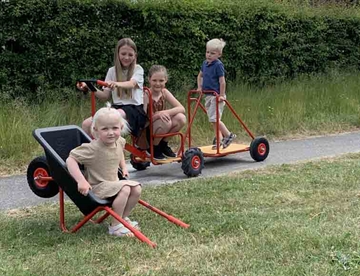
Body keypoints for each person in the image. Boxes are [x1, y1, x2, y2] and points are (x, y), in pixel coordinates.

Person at [66, 104, 142, 237]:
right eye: (105, 129)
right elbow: (70, 160)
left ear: (121, 128)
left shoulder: (120, 142)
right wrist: (81, 181)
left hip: (113, 184)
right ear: (96, 130)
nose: (111, 132)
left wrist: (124, 167)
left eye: (114, 128)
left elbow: (119, 154)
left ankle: (122, 218)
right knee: (125, 188)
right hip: (98, 187)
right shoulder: (92, 148)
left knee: (136, 189)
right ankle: (115, 227)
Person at [77, 38, 147, 138]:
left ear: (135, 56)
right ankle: (89, 151)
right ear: (117, 54)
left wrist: (116, 84)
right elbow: (105, 96)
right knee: (86, 124)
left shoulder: (138, 69)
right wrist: (89, 87)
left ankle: (107, 148)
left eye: (130, 55)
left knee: (109, 117)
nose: (126, 57)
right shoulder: (112, 71)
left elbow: (132, 84)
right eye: (123, 54)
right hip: (116, 107)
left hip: (134, 110)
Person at [197, 38, 236, 149]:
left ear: (219, 54)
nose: (209, 55)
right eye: (207, 52)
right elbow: (200, 76)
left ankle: (228, 135)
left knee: (215, 119)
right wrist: (199, 87)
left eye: (212, 53)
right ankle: (218, 140)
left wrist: (222, 95)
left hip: (216, 96)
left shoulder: (218, 65)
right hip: (208, 95)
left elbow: (222, 81)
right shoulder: (205, 64)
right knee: (213, 120)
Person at [142, 65, 186, 160]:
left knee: (181, 118)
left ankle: (163, 144)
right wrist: (157, 115)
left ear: (166, 80)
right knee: (166, 121)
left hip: (162, 126)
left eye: (161, 80)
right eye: (154, 80)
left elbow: (182, 108)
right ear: (149, 80)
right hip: (149, 129)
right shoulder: (146, 94)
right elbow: (143, 118)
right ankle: (153, 147)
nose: (158, 84)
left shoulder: (164, 92)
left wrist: (163, 112)